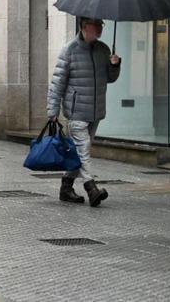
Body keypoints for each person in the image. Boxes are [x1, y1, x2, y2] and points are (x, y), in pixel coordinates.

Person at [48, 17, 121, 207]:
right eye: (95, 25)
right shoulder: (70, 50)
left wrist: (114, 65)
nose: (99, 28)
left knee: (79, 151)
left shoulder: (103, 49)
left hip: (96, 110)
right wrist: (53, 109)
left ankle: (66, 188)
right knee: (84, 149)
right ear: (84, 26)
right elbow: (58, 82)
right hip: (76, 111)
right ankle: (91, 188)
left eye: (101, 25)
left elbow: (110, 79)